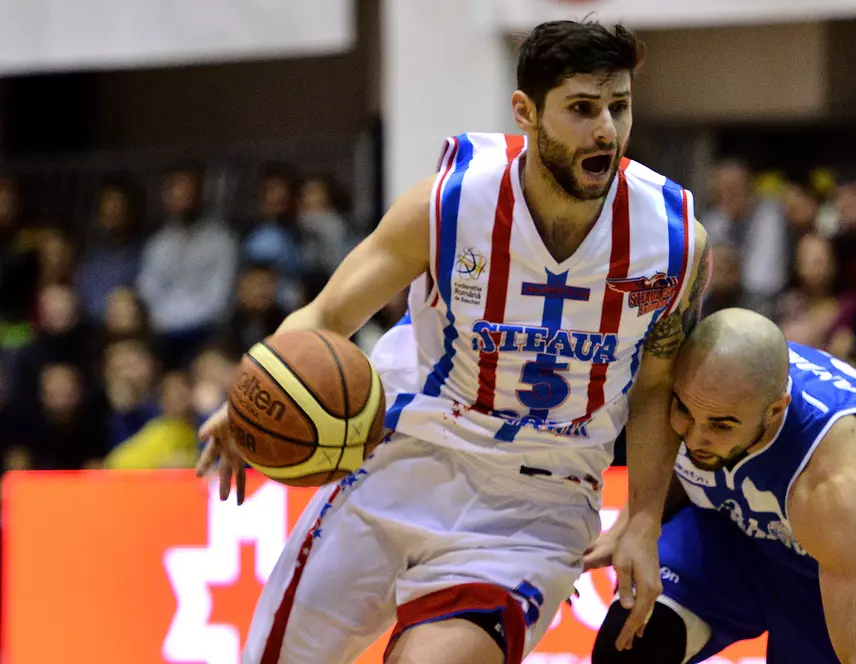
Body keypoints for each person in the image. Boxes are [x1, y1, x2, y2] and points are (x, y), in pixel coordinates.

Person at [195, 20, 710, 664]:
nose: (606, 129)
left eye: (619, 106)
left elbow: (656, 387)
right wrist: (252, 391)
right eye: (582, 108)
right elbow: (326, 314)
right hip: (405, 461)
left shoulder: (673, 238)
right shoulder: (450, 203)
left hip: (537, 507)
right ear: (526, 111)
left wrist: (641, 521)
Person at [587, 309, 856, 664]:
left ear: (774, 412)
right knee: (628, 648)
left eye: (721, 426)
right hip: (734, 533)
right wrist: (633, 525)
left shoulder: (832, 481)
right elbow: (683, 458)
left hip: (850, 567)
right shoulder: (690, 388)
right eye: (684, 412)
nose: (694, 437)